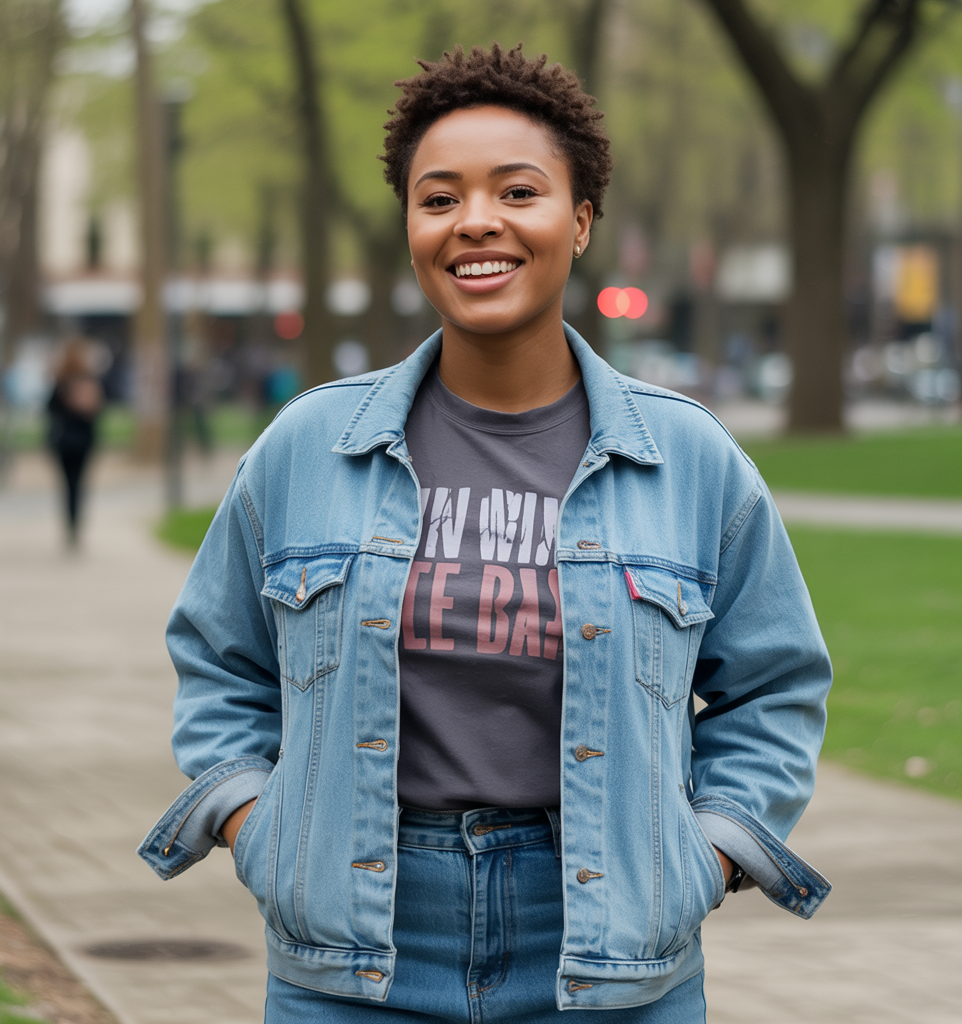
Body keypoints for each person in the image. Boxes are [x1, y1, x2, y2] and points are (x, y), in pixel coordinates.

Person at [140, 44, 832, 1023]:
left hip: (607, 955)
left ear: (580, 219)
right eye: (438, 198)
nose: (476, 222)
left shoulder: (689, 461)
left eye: (518, 191)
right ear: (411, 226)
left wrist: (702, 858)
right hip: (353, 954)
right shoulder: (306, 447)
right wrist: (262, 828)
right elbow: (219, 663)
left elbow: (774, 683)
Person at [46, 337, 103, 547]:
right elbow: (96, 411)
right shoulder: (87, 379)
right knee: (78, 484)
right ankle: (75, 524)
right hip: (82, 440)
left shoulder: (61, 380)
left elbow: (49, 409)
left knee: (67, 485)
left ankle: (70, 524)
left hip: (64, 441)